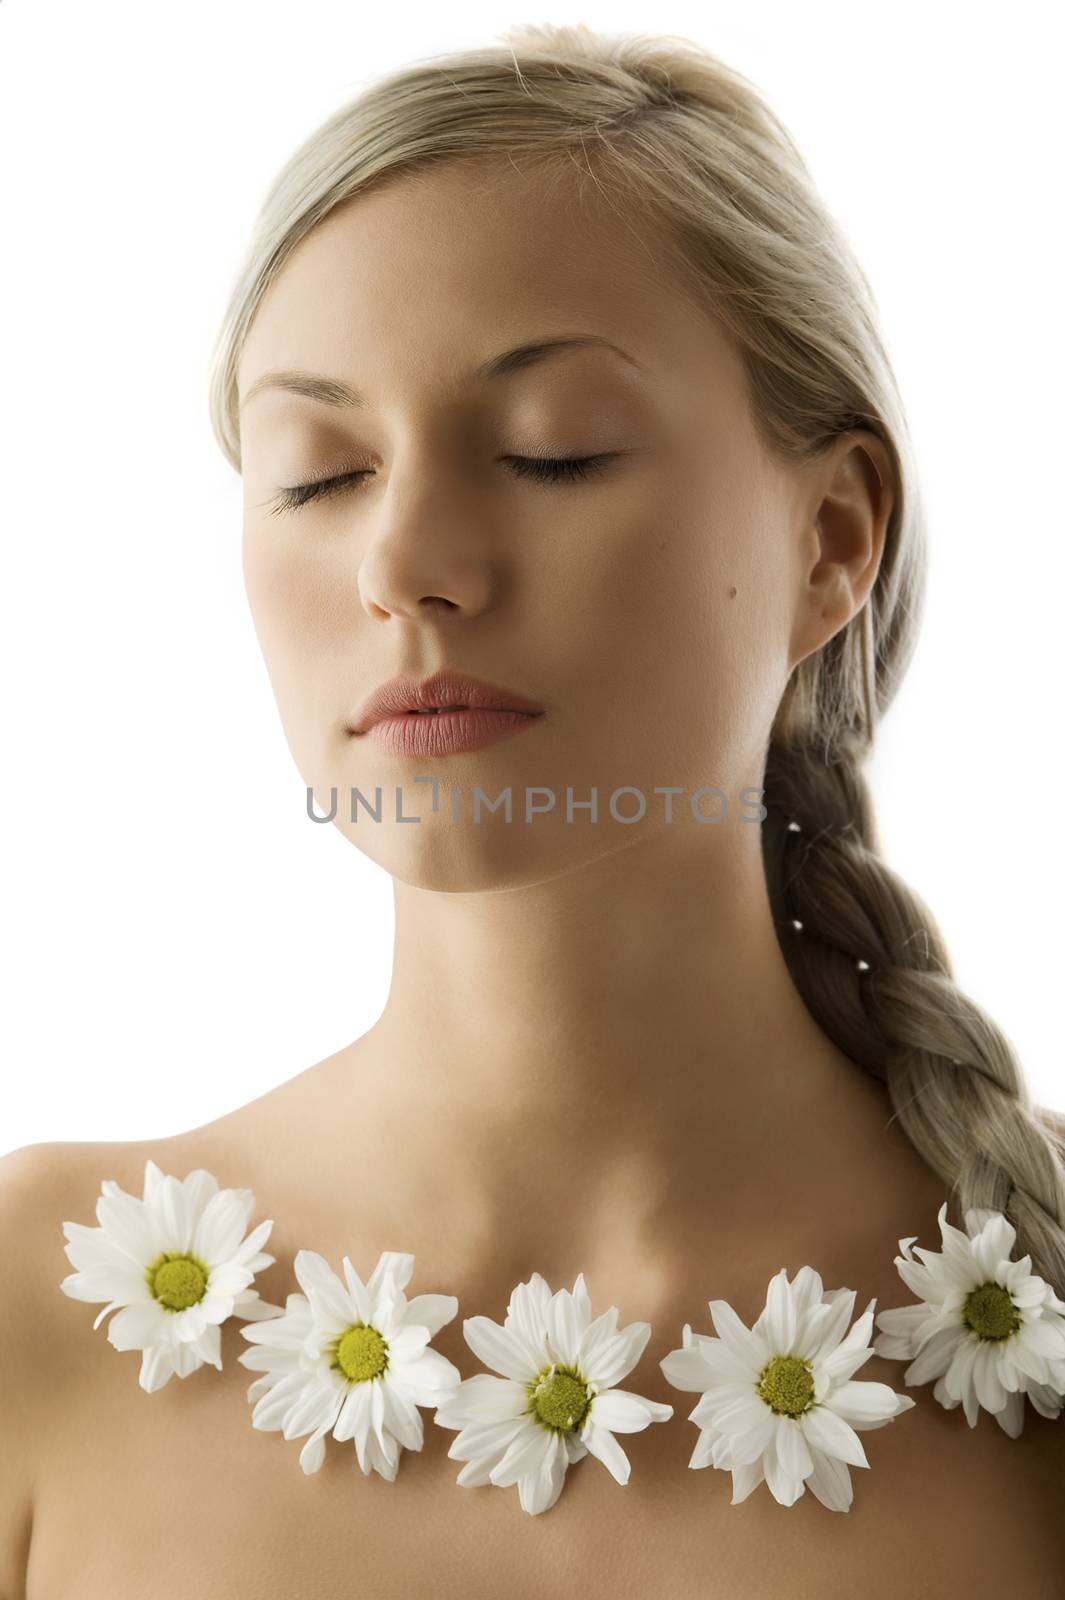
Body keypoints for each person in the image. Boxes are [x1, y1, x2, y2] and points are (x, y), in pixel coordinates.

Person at [3, 22, 1064, 1597]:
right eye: (315, 472)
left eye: (548, 453)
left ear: (832, 535)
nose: (402, 564)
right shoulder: (42, 1315)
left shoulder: (1032, 1315)